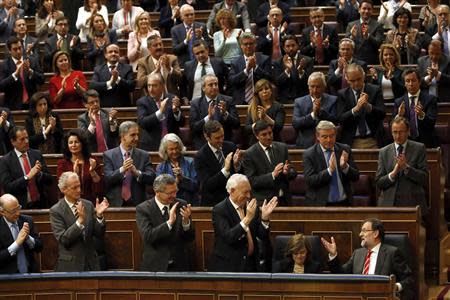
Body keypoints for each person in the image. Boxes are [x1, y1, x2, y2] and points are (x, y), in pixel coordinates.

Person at [321, 218, 415, 300]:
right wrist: (333, 255)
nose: (360, 234)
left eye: (364, 231)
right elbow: (341, 275)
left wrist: (395, 287)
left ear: (375, 233)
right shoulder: (358, 253)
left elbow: (409, 279)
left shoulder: (392, 253)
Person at [209, 173, 278, 272]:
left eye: (249, 192)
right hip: (230, 267)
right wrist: (247, 219)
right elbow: (229, 237)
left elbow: (262, 235)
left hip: (251, 265)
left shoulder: (250, 206)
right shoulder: (219, 210)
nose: (249, 196)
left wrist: (265, 218)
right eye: (245, 192)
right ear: (232, 191)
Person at [49, 171, 109, 271]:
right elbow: (64, 240)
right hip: (70, 266)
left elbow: (99, 234)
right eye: (74, 188)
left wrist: (99, 216)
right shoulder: (56, 211)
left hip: (91, 264)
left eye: (79, 186)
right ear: (63, 189)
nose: (79, 190)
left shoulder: (88, 205)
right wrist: (80, 222)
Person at [136, 174, 195, 271]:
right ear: (157, 192)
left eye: (175, 191)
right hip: (155, 267)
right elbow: (148, 237)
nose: (174, 196)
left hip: (179, 266)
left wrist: (186, 223)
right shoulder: (143, 209)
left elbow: (190, 238)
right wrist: (169, 223)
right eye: (170, 193)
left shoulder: (182, 205)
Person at [375, 116, 429, 217]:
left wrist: (406, 168)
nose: (398, 136)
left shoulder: (419, 148)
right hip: (388, 204)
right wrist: (393, 174)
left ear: (408, 131)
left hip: (413, 203)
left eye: (401, 132)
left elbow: (424, 178)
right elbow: (379, 182)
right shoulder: (384, 152)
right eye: (394, 132)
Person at [303, 121, 360, 206]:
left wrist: (345, 167)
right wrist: (329, 171)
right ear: (317, 136)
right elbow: (310, 181)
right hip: (320, 204)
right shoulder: (309, 154)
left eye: (331, 136)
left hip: (344, 203)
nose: (329, 140)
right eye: (324, 137)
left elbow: (356, 176)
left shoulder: (344, 149)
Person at [243, 120, 296, 206]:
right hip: (264, 202)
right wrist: (272, 175)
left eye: (270, 133)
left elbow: (293, 173)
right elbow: (252, 181)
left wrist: (287, 172)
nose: (268, 137)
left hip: (284, 200)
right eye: (264, 134)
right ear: (257, 136)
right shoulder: (250, 154)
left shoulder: (282, 147)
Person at [103, 121, 156, 207]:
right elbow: (108, 178)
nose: (137, 138)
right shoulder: (109, 155)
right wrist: (122, 169)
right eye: (133, 135)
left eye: (137, 134)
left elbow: (152, 177)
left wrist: (137, 173)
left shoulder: (144, 155)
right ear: (123, 136)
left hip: (139, 203)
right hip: (116, 203)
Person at [0, 126, 53, 209]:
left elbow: (50, 180)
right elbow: (8, 187)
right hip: (20, 208)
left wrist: (40, 174)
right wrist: (27, 177)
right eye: (22, 139)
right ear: (13, 142)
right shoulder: (5, 161)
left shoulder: (36, 154)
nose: (26, 141)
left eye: (27, 138)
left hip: (40, 204)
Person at [194, 120, 243, 206]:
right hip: (214, 203)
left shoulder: (231, 146)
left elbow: (241, 175)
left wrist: (236, 165)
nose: (221, 140)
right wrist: (225, 170)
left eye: (222, 136)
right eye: (217, 138)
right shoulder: (200, 157)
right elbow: (208, 185)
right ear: (207, 137)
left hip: (234, 199)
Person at [337, 63, 386, 149]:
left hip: (373, 139)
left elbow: (382, 114)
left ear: (364, 76)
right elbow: (340, 119)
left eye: (359, 79)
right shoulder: (342, 94)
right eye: (352, 81)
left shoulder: (375, 90)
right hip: (351, 142)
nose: (356, 83)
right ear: (347, 79)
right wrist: (355, 109)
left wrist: (368, 106)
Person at [190, 74, 239, 150]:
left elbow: (236, 124)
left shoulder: (228, 100)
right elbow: (193, 128)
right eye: (210, 85)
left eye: (216, 84)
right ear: (203, 88)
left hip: (224, 142)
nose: (214, 87)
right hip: (204, 144)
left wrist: (225, 114)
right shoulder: (195, 104)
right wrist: (208, 118)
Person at [137, 73, 185, 151]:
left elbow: (182, 123)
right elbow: (143, 123)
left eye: (154, 86)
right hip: (151, 145)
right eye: (149, 86)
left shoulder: (172, 99)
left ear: (163, 86)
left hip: (172, 145)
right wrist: (160, 112)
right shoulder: (142, 102)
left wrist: (176, 112)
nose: (150, 89)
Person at [393, 68, 438, 148]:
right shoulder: (399, 102)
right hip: (406, 143)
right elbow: (392, 125)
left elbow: (432, 123)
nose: (411, 84)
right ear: (404, 84)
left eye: (413, 80)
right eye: (407, 81)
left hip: (426, 143)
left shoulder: (430, 99)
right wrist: (399, 116)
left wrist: (421, 114)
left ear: (419, 82)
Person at [293, 72, 338, 149]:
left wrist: (320, 112)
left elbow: (335, 121)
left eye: (318, 87)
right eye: (312, 86)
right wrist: (313, 115)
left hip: (328, 143)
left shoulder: (333, 100)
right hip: (306, 145)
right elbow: (296, 123)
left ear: (324, 87)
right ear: (308, 87)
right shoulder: (299, 102)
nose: (315, 90)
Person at [0, 193, 43, 274]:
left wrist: (28, 238)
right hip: (8, 277)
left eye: (18, 208)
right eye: (13, 211)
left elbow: (40, 247)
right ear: (2, 212)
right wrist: (17, 243)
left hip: (31, 274)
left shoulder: (27, 220)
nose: (18, 213)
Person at [57, 129, 102, 203]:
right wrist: (74, 174)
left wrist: (92, 172)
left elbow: (99, 188)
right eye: (70, 143)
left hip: (90, 202)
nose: (73, 145)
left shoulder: (93, 161)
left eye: (76, 142)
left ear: (82, 144)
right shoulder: (62, 163)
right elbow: (62, 188)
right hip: (70, 202)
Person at [0, 36, 44, 110]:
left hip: (33, 105)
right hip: (13, 106)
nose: (18, 51)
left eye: (20, 48)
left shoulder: (32, 61)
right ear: (9, 51)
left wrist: (30, 71)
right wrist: (14, 75)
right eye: (15, 49)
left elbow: (42, 80)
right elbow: (1, 86)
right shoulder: (4, 65)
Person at [228, 32, 272, 105]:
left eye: (251, 43)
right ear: (241, 46)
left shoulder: (264, 59)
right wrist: (246, 70)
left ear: (255, 45)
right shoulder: (235, 62)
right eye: (245, 44)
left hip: (261, 100)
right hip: (240, 101)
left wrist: (256, 67)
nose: (248, 46)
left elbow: (269, 79)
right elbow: (231, 81)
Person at [156, 134, 199, 206]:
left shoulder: (191, 162)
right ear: (165, 150)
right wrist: (176, 181)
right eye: (171, 149)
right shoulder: (161, 167)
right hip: (168, 204)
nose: (175, 151)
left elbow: (196, 186)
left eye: (176, 148)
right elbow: (160, 189)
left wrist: (182, 178)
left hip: (189, 203)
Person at [273, 35, 313, 104]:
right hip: (284, 100)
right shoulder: (278, 62)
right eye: (288, 46)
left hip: (303, 98)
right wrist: (287, 70)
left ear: (298, 46)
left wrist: (300, 71)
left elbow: (310, 83)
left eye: (293, 45)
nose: (291, 48)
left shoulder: (307, 60)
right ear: (284, 48)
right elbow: (277, 83)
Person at [245, 79, 285, 144]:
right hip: (255, 143)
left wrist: (265, 117)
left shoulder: (279, 107)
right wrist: (258, 123)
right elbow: (247, 128)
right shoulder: (252, 107)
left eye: (266, 89)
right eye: (260, 90)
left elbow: (279, 127)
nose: (264, 91)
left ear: (271, 91)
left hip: (274, 141)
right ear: (257, 94)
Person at [346, 0, 384, 65]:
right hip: (355, 62)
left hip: (372, 62)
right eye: (364, 8)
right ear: (359, 10)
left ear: (372, 11)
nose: (366, 11)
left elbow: (379, 43)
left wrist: (368, 36)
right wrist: (352, 37)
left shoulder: (378, 25)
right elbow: (346, 44)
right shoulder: (351, 25)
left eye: (369, 9)